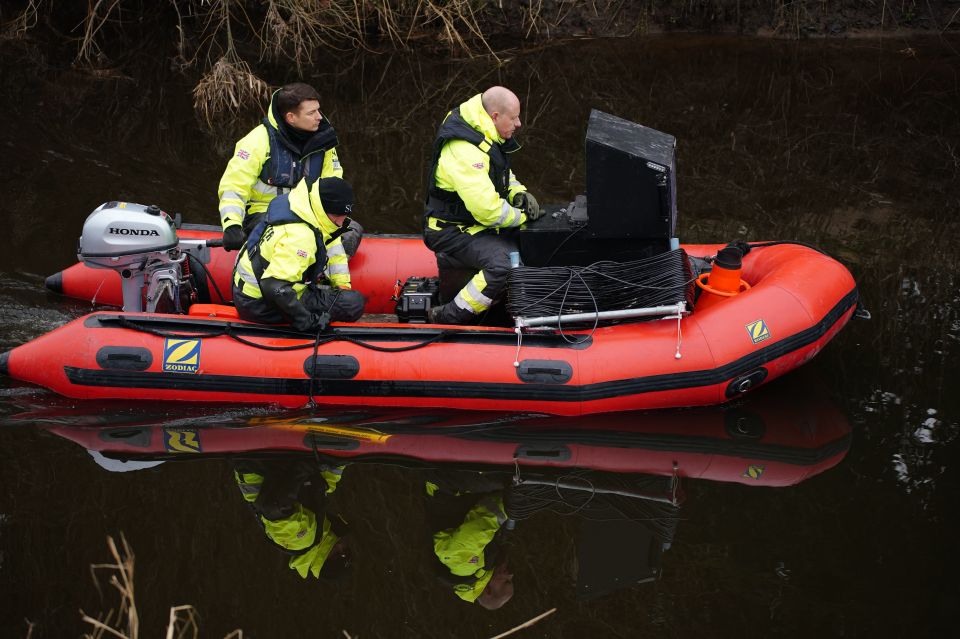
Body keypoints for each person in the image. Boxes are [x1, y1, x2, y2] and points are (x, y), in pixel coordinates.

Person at [423, 86, 543, 325]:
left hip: (473, 222)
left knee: (531, 243)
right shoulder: (464, 150)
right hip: (450, 230)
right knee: (504, 265)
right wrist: (522, 217)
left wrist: (519, 194)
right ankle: (448, 316)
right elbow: (489, 211)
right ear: (495, 116)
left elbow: (501, 174)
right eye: (514, 117)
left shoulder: (483, 129)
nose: (519, 123)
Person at [217, 82, 362, 256]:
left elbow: (332, 187)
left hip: (307, 212)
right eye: (311, 113)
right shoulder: (257, 141)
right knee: (292, 233)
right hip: (264, 213)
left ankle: (321, 272)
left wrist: (332, 219)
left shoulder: (325, 143)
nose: (320, 117)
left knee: (351, 231)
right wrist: (232, 225)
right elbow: (234, 187)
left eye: (318, 110)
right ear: (291, 117)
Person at [232, 176, 366, 333]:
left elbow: (334, 247)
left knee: (351, 232)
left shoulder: (302, 204)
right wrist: (307, 321)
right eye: (339, 216)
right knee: (353, 304)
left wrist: (342, 286)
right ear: (325, 210)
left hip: (249, 289)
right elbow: (274, 288)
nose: (342, 221)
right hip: (260, 304)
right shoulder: (300, 237)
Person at [234, 459, 351, 579]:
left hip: (256, 464)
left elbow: (274, 506)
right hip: (275, 464)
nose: (340, 547)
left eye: (337, 555)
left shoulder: (300, 542)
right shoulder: (319, 531)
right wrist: (344, 457)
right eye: (346, 550)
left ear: (322, 562)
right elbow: (324, 482)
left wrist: (303, 468)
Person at [426, 475, 515, 609]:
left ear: (488, 590)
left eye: (506, 582)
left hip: (446, 485)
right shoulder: (483, 566)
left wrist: (510, 505)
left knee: (512, 483)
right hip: (463, 489)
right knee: (514, 486)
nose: (510, 575)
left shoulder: (464, 567)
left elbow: (480, 526)